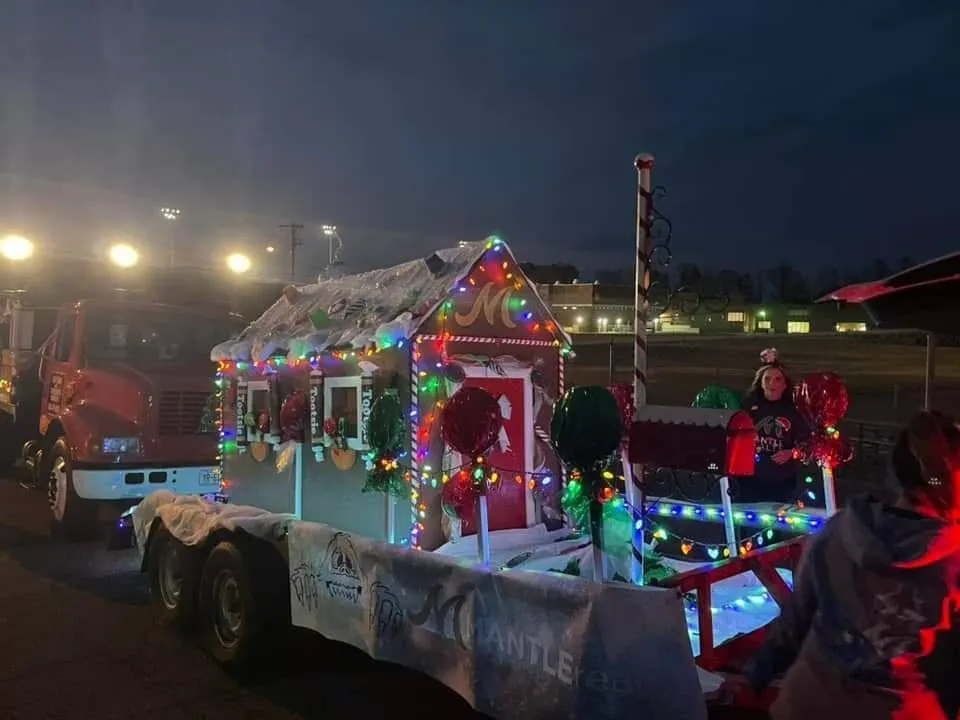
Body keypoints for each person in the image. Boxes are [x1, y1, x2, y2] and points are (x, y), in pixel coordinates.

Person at [730, 411, 960, 719]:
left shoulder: (839, 531)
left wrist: (752, 679)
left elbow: (792, 628)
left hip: (805, 703)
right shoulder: (952, 558)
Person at [738, 348, 809, 505]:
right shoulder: (748, 406)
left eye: (778, 380)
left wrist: (792, 452)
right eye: (767, 379)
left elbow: (806, 441)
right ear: (760, 383)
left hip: (782, 480)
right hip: (749, 477)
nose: (772, 383)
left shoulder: (794, 410)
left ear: (785, 385)